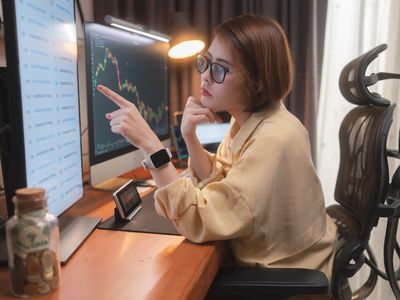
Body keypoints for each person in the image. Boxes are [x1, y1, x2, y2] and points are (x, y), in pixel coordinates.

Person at [97, 14, 337, 291]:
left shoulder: (273, 138)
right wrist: (189, 136)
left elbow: (201, 221)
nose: (205, 77)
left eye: (220, 69)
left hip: (285, 281)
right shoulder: (247, 118)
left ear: (257, 82)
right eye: (206, 62)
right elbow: (219, 176)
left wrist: (153, 147)